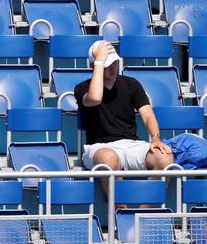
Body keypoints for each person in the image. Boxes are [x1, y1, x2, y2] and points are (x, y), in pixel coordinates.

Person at [74, 40, 174, 195]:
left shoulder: (131, 84)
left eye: (114, 62)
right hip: (99, 147)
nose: (113, 67)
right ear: (93, 67)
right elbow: (95, 98)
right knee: (109, 158)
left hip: (131, 144)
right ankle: (120, 211)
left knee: (164, 158)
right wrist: (99, 61)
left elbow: (147, 115)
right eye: (107, 64)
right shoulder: (82, 88)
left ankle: (144, 210)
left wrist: (155, 138)